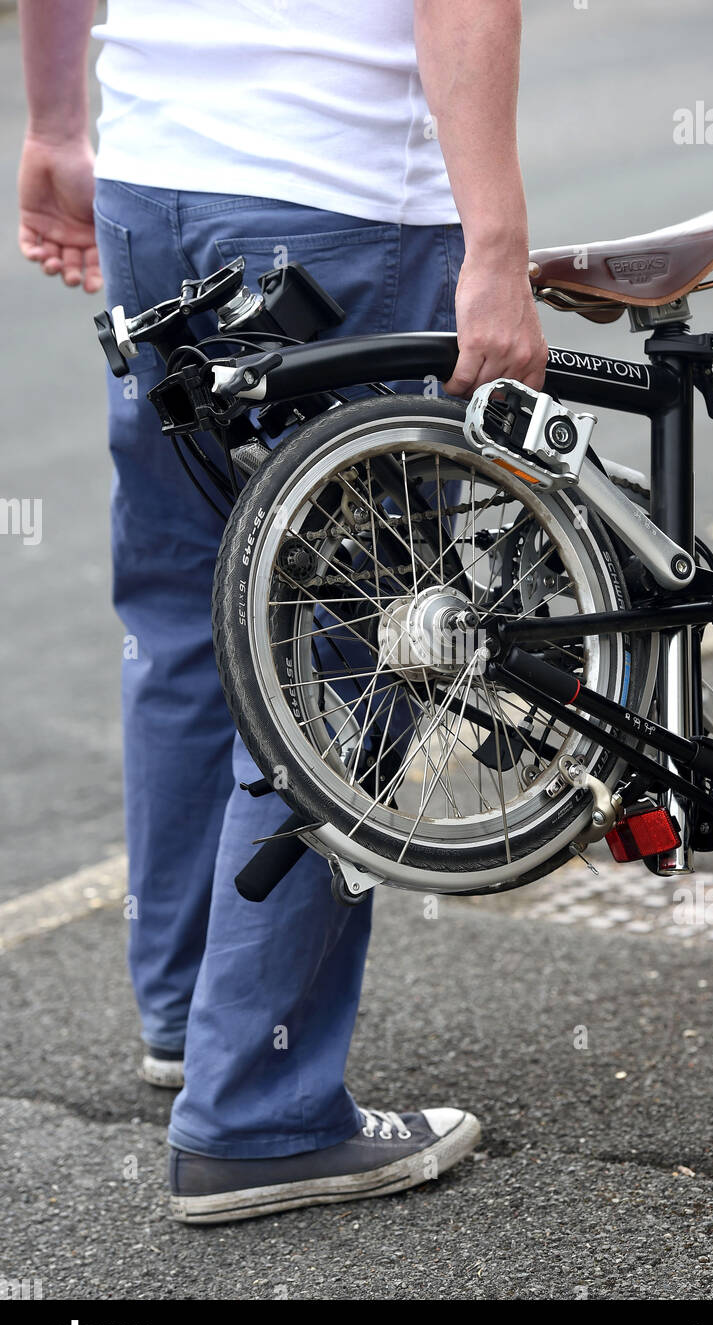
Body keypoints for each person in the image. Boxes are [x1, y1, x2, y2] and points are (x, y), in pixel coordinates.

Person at [17, 0, 548, 1223]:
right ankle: (256, 1112)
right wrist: (497, 246)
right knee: (351, 651)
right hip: (337, 198)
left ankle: (187, 1008)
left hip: (153, 183)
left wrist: (55, 125)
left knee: (189, 613)